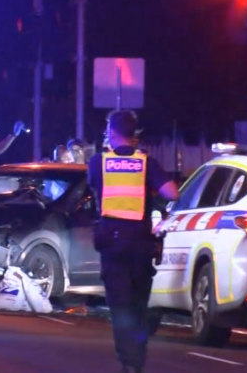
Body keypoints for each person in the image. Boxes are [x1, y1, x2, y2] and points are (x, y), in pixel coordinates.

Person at [87, 110, 179, 373]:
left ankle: (128, 361)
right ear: (134, 134)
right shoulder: (146, 162)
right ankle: (137, 359)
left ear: (113, 132)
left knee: (120, 306)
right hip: (140, 243)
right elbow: (172, 192)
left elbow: (94, 187)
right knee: (138, 305)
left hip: (113, 243)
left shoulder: (98, 163)